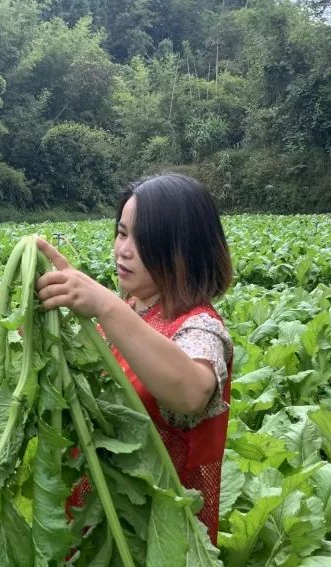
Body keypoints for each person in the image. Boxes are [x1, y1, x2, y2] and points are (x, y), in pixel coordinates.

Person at [35, 173, 233, 544]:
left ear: (184, 250)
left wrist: (105, 306)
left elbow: (191, 393)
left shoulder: (201, 326)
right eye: (122, 232)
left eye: (143, 240)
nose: (123, 249)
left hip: (153, 535)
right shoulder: (132, 309)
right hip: (97, 523)